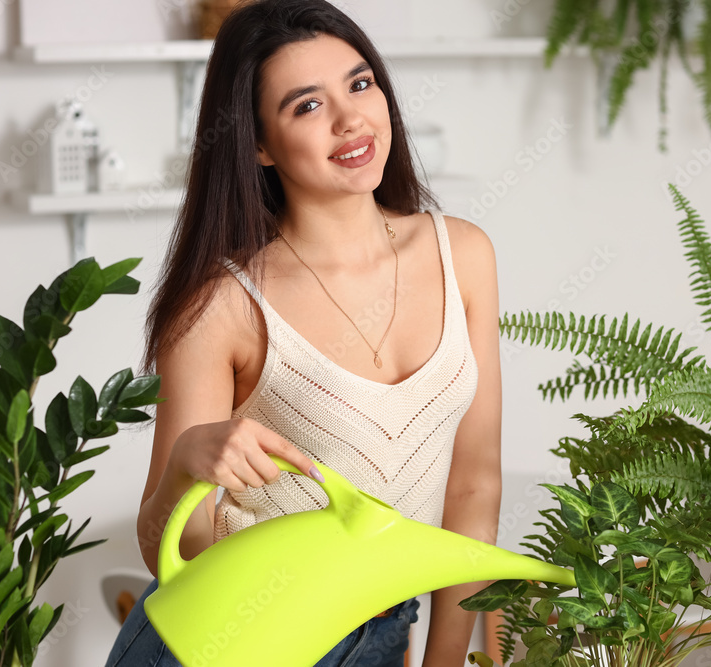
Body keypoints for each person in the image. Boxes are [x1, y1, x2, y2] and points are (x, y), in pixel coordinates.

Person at [104, 1, 502, 665]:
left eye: (360, 83)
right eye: (306, 106)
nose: (352, 120)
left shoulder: (463, 254)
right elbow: (166, 548)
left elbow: (473, 485)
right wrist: (181, 471)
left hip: (380, 632)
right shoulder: (220, 306)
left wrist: (446, 656)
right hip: (227, 637)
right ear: (258, 143)